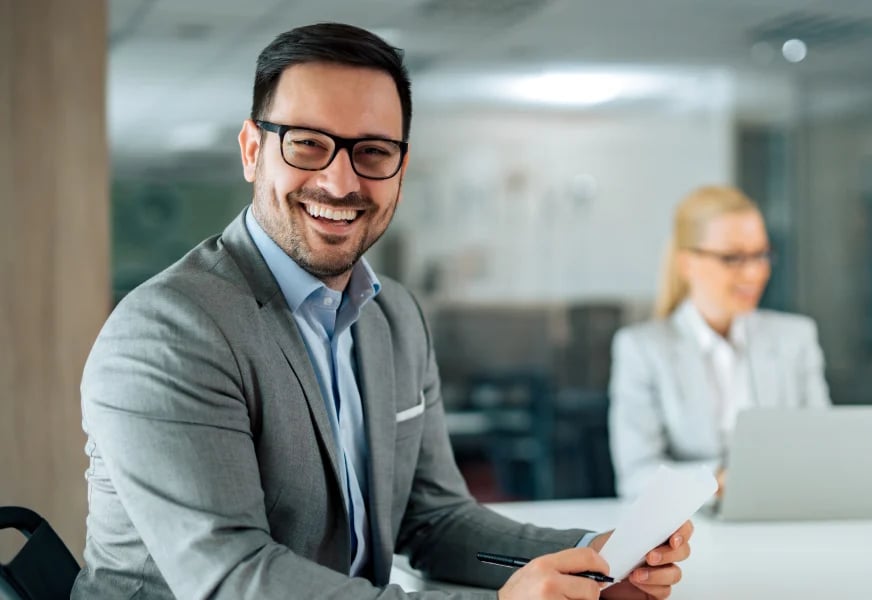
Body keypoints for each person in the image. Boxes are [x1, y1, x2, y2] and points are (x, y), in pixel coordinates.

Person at [72, 23, 691, 600]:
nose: (341, 183)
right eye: (308, 145)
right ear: (251, 150)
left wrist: (595, 557)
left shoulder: (392, 315)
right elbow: (233, 578)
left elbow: (436, 520)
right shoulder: (166, 332)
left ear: (400, 168)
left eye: (372, 152)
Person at [609, 185, 831, 500]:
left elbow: (825, 450)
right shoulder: (642, 349)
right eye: (733, 258)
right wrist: (716, 480)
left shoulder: (796, 338)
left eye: (761, 254)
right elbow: (635, 477)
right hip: (690, 530)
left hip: (783, 520)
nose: (754, 272)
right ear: (687, 263)